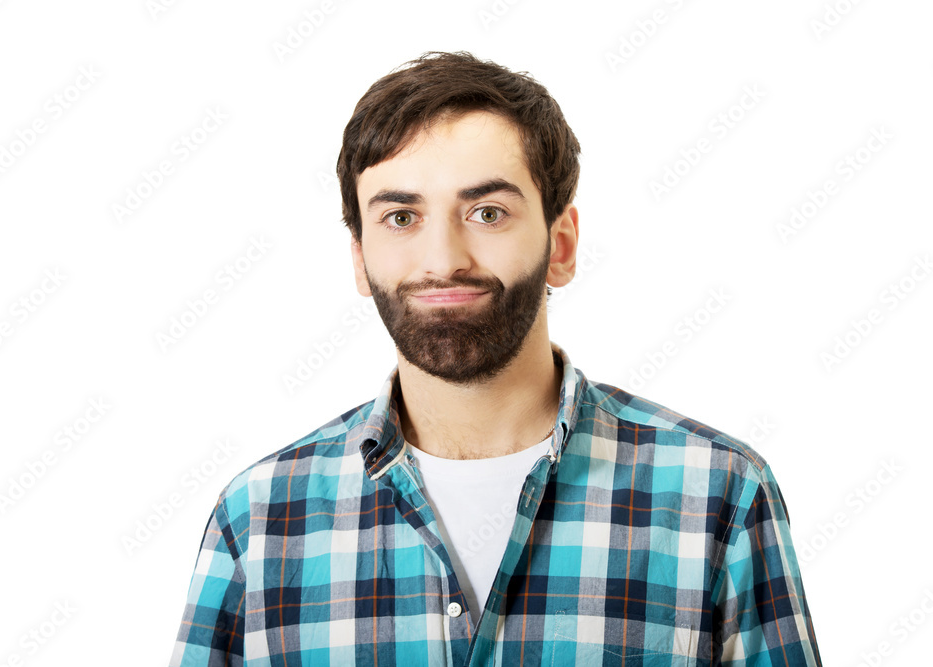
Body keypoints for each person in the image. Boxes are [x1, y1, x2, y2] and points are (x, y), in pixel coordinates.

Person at [170, 51, 821, 666]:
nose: (444, 257)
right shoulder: (259, 520)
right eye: (401, 217)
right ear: (359, 256)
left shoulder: (721, 496)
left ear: (561, 245)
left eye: (487, 211)